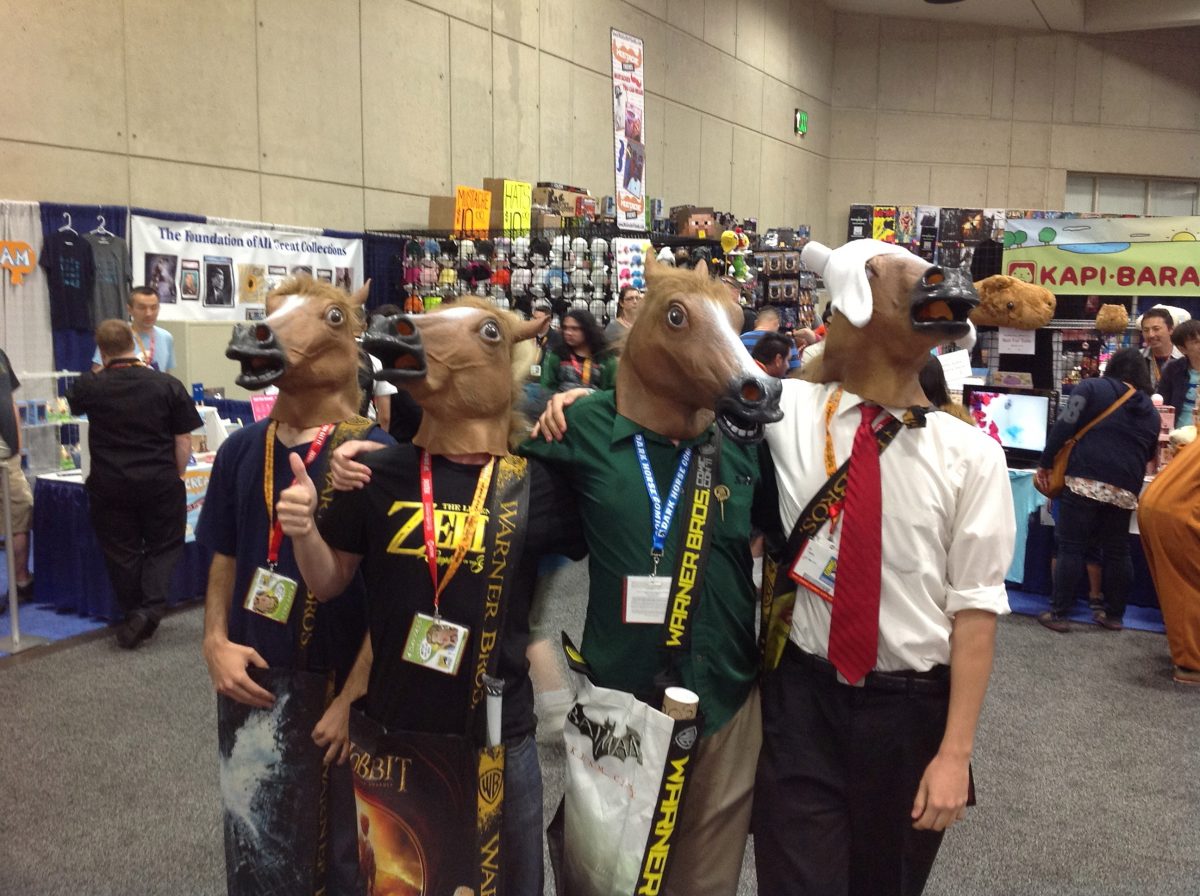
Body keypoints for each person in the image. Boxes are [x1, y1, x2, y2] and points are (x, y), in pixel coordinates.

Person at [280, 302, 586, 895]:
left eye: (487, 333)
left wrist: (584, 403)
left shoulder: (536, 485)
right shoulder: (378, 474)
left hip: (497, 737)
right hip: (398, 733)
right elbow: (327, 582)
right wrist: (303, 530)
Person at [754, 238, 1013, 896]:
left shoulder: (971, 456)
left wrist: (955, 754)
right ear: (852, 299)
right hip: (804, 702)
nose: (920, 277)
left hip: (909, 713)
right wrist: (576, 404)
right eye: (892, 269)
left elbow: (976, 612)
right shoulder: (784, 415)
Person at [68, 320, 202, 647]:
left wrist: (102, 370)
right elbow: (183, 439)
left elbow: (75, 402)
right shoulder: (166, 385)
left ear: (101, 350)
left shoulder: (89, 386)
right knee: (164, 546)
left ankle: (135, 614)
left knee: (121, 551)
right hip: (159, 480)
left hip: (110, 483)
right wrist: (177, 474)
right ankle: (149, 611)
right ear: (134, 341)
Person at [1036, 347, 1160, 633]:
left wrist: (1046, 462)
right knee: (1118, 551)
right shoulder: (1151, 412)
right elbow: (1150, 453)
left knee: (1071, 546)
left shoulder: (1091, 387)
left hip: (1084, 479)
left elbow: (1065, 425)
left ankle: (1059, 613)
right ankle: (1115, 616)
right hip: (1125, 488)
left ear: (1112, 366)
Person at [0, 348, 34, 608]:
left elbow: (9, 400)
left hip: (8, 457)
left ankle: (21, 582)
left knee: (21, 512)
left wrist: (18, 448)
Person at [91, 286, 176, 373]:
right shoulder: (115, 334)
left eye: (154, 308)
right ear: (130, 309)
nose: (148, 313)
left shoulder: (166, 337)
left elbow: (166, 374)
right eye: (142, 308)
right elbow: (97, 374)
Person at [539, 308, 618, 393]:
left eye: (575, 329)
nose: (568, 333)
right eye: (565, 328)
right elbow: (547, 387)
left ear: (588, 330)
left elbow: (611, 392)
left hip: (595, 403)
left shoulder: (606, 358)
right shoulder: (555, 355)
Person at [1158, 318, 1200, 427]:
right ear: (1182, 349)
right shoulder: (1172, 369)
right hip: (1179, 435)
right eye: (1196, 342)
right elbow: (1164, 406)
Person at [741, 306, 800, 374]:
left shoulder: (740, 340)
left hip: (747, 383)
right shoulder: (786, 343)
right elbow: (796, 373)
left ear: (756, 323)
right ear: (776, 323)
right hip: (779, 384)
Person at [1139, 307, 1183, 392]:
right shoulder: (1136, 359)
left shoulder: (1185, 359)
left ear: (1170, 330)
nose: (1151, 335)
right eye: (1146, 330)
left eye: (1156, 329)